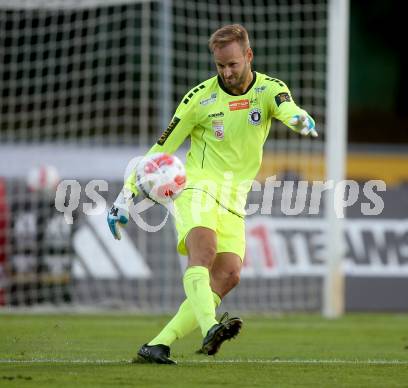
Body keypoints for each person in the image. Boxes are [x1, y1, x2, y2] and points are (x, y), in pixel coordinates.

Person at [107, 24, 317, 364]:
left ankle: (158, 345)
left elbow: (287, 107)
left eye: (233, 64)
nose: (227, 72)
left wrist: (300, 119)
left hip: (235, 198)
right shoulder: (198, 99)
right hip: (197, 187)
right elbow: (160, 149)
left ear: (248, 56)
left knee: (228, 274)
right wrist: (124, 196)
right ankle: (209, 328)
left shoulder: (268, 89)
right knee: (202, 254)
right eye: (220, 66)